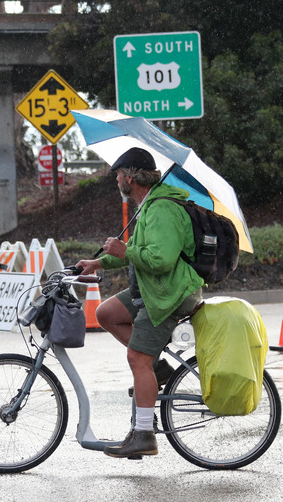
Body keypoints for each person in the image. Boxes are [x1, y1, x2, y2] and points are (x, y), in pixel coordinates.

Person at [75, 147, 204, 459]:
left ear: (130, 177)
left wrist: (124, 251)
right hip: (154, 287)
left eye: (119, 174)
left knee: (136, 358)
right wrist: (98, 263)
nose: (117, 179)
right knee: (106, 313)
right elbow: (138, 251)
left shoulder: (162, 209)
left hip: (170, 294)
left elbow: (161, 259)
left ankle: (144, 434)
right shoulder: (147, 207)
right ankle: (158, 369)